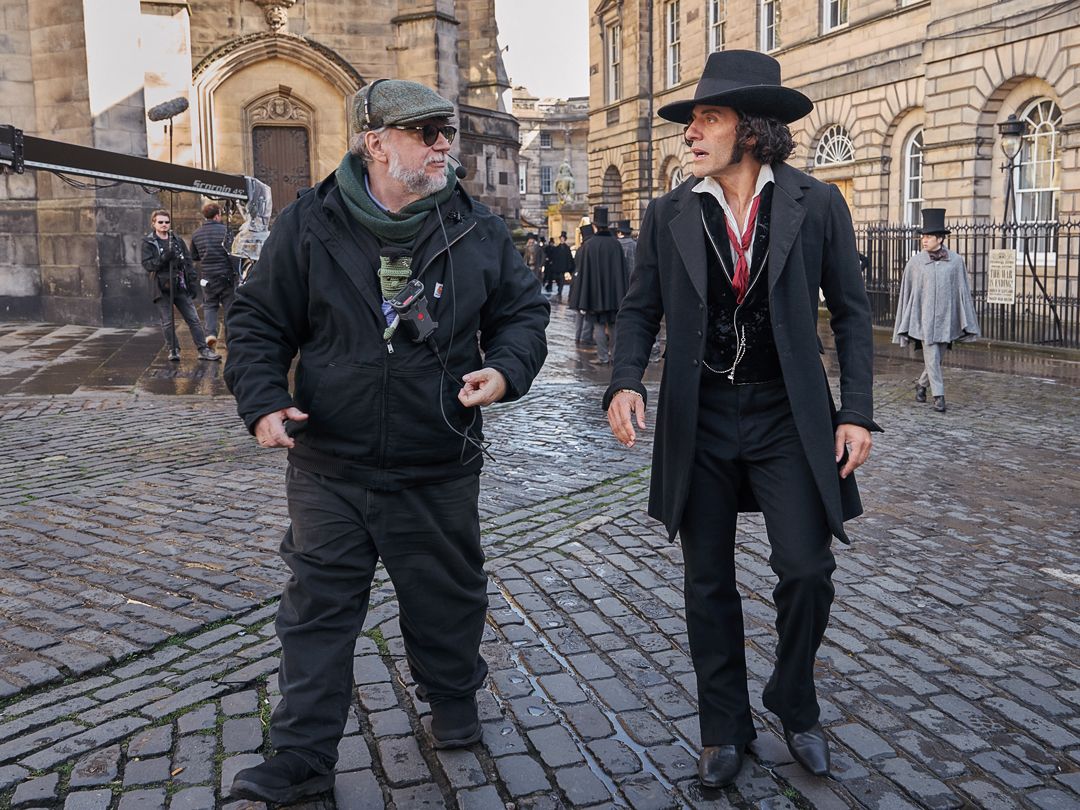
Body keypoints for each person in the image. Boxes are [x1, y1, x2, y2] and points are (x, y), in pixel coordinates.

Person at [223, 78, 549, 805]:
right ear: (375, 142)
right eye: (425, 131)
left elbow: (525, 316)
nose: (443, 144)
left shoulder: (478, 227)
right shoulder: (310, 223)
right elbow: (256, 323)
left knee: (446, 597)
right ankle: (303, 757)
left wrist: (503, 370)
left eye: (447, 130)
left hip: (438, 460)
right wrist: (264, 401)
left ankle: (455, 701)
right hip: (330, 463)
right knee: (315, 611)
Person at [602, 50, 880, 790]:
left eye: (708, 119)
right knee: (707, 582)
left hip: (788, 414)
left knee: (807, 570)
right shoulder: (668, 212)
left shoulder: (816, 204)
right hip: (702, 416)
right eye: (691, 120)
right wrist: (623, 381)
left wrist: (855, 413)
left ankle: (794, 699)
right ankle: (723, 726)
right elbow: (639, 310)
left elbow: (852, 316)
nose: (691, 132)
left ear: (751, 130)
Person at [892, 208, 980, 413]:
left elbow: (962, 292)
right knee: (931, 355)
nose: (924, 240)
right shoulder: (915, 263)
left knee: (936, 358)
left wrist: (964, 320)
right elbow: (908, 293)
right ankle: (939, 397)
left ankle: (921, 385)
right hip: (924, 320)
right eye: (922, 236)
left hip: (946, 321)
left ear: (940, 238)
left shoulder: (956, 262)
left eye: (928, 236)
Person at [140, 209, 220, 362]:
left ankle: (203, 349)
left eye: (167, 222)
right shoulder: (149, 242)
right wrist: (164, 258)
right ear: (154, 223)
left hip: (179, 284)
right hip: (161, 287)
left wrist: (191, 280)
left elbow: (188, 261)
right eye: (160, 222)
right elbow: (148, 265)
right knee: (168, 321)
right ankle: (173, 349)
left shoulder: (176, 239)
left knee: (193, 319)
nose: (164, 225)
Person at [574, 206, 627, 365]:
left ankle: (603, 357)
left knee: (598, 324)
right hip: (614, 294)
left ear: (595, 225)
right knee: (613, 325)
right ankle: (615, 356)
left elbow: (585, 273)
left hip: (595, 294)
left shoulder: (589, 245)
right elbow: (621, 271)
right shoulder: (615, 244)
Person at [190, 201, 238, 350]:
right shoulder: (226, 231)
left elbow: (194, 256)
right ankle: (231, 339)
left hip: (207, 277)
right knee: (230, 308)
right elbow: (233, 253)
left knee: (210, 306)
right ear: (217, 215)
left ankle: (210, 334)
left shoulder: (196, 234)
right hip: (226, 276)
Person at [545, 231, 574, 299]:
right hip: (557, 267)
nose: (562, 239)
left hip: (563, 268)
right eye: (561, 238)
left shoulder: (567, 248)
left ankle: (560, 291)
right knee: (557, 279)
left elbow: (569, 258)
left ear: (565, 239)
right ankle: (559, 289)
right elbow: (554, 257)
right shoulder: (557, 248)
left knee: (561, 279)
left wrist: (569, 267)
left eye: (563, 238)